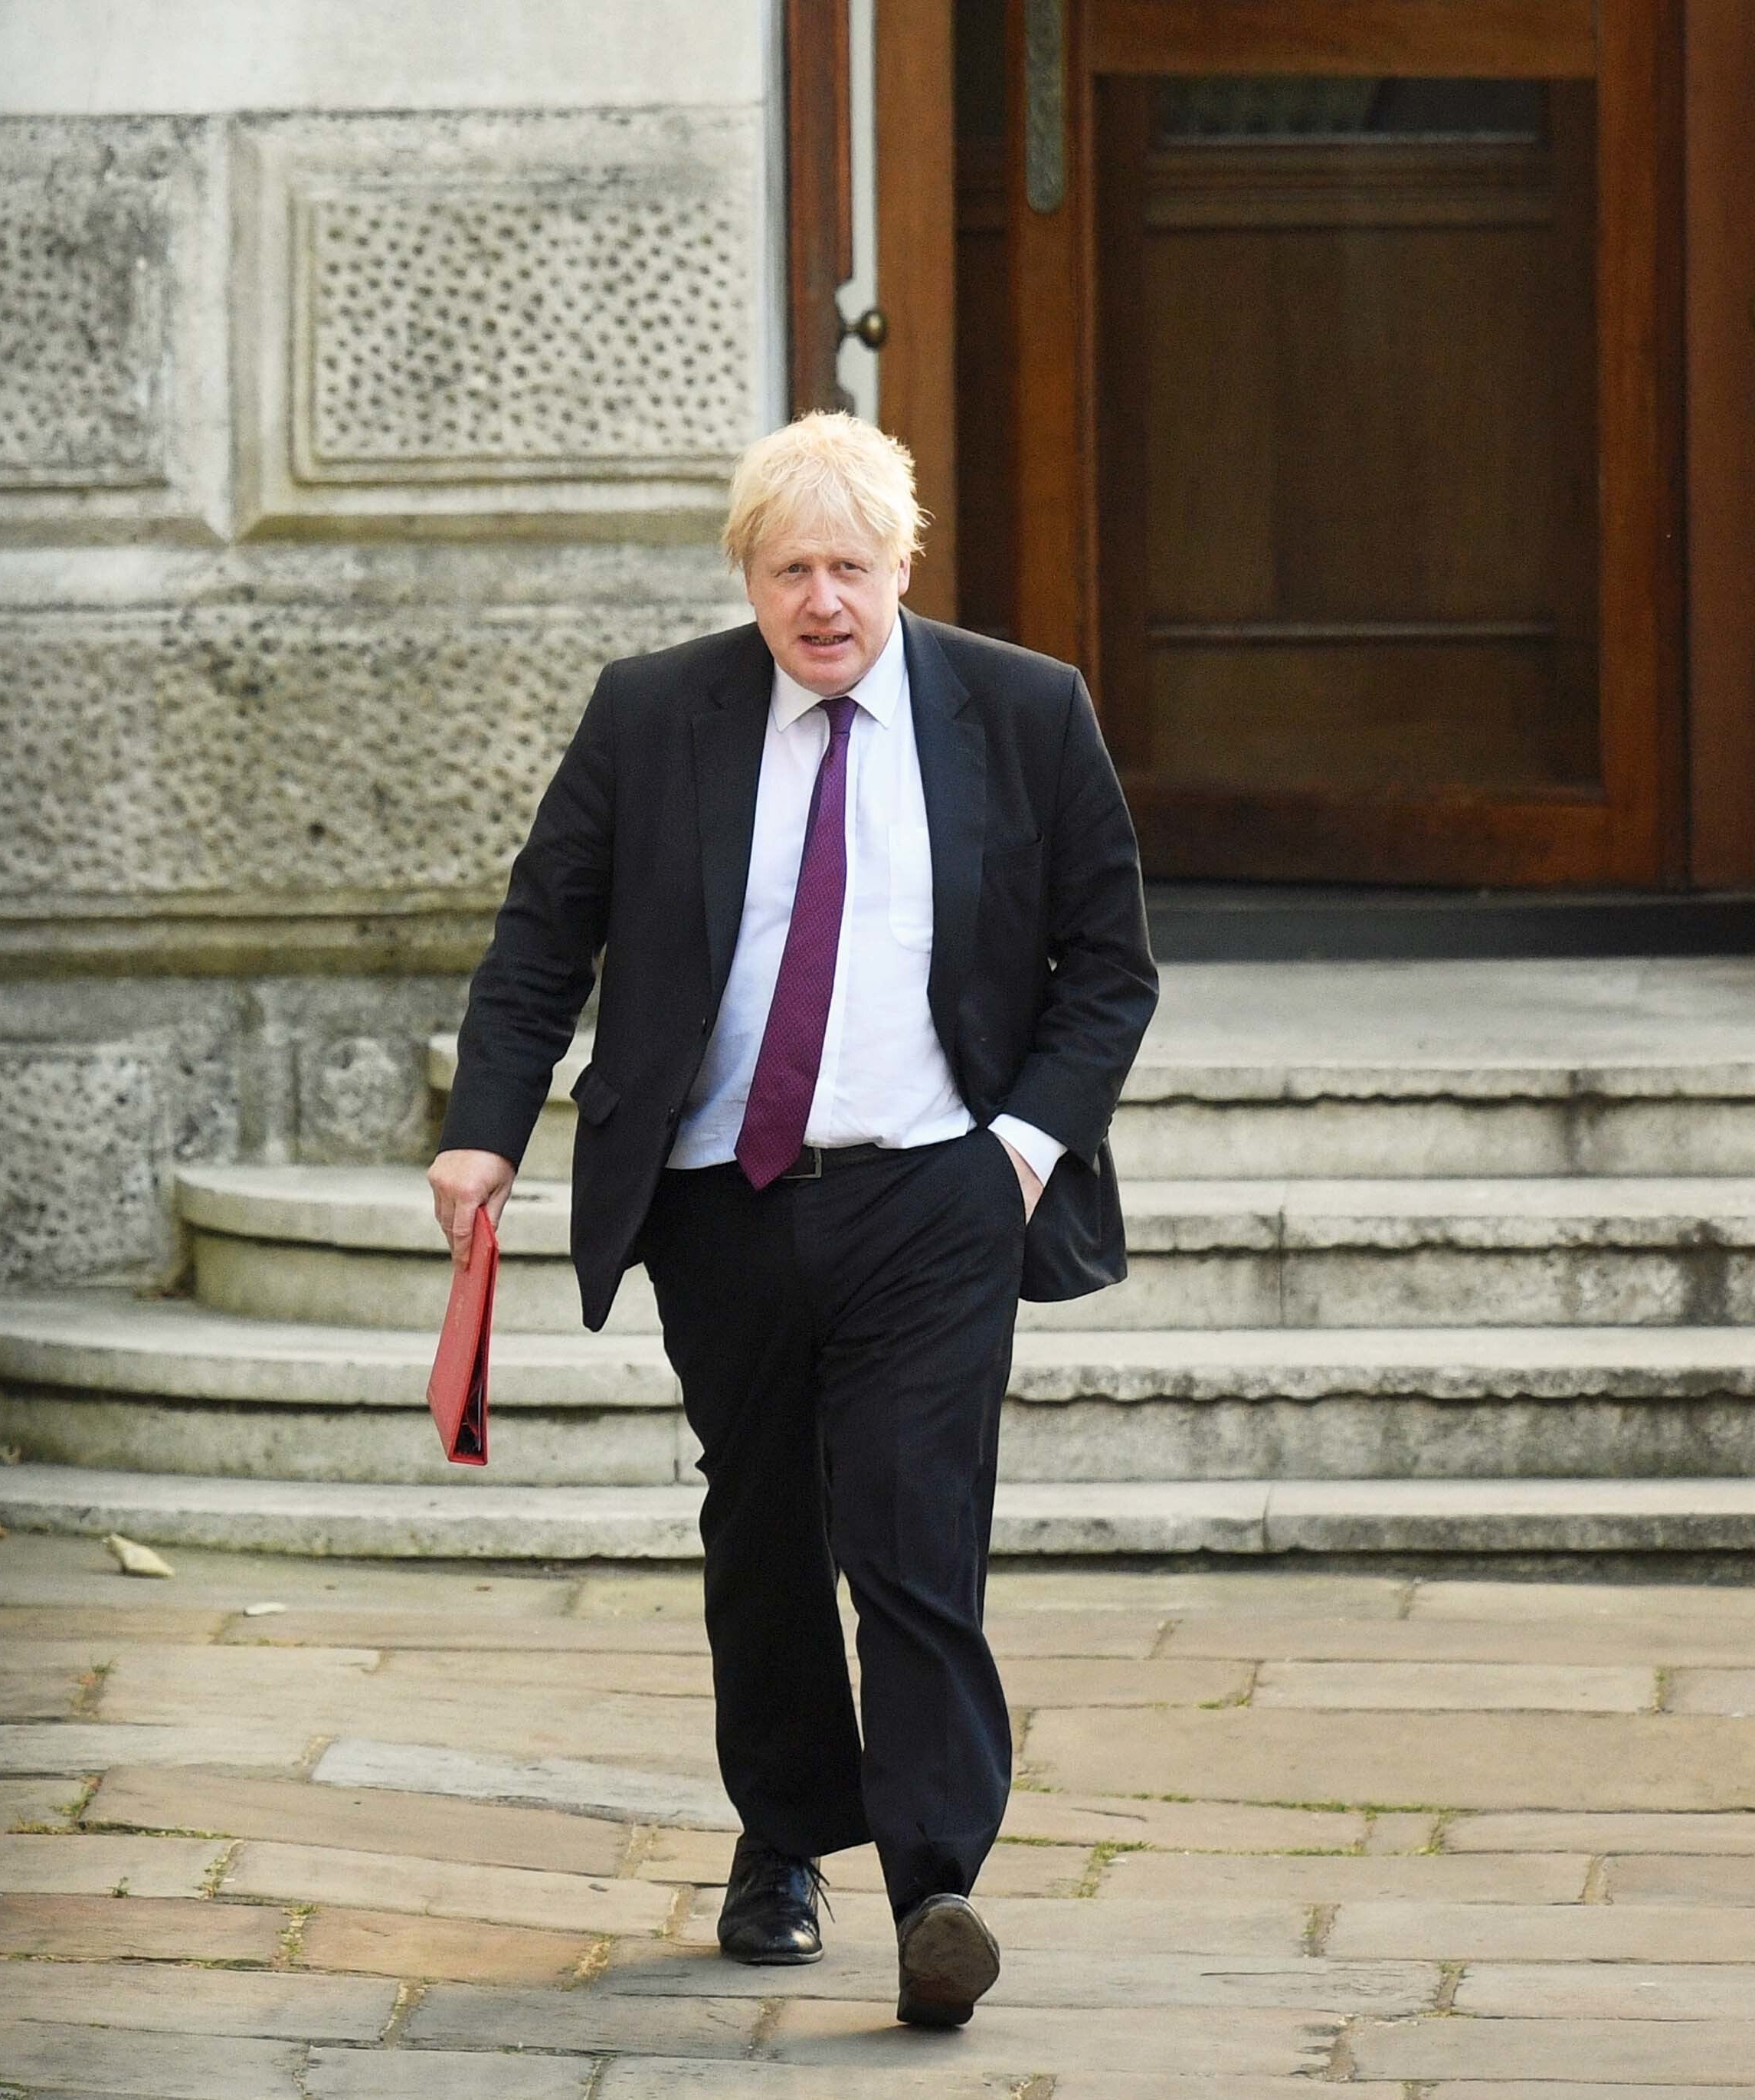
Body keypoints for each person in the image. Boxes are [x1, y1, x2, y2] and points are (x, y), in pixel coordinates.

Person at [427, 411, 1156, 2028]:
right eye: (787, 570)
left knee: (911, 1535)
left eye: (850, 565)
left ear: (905, 564)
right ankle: (781, 1839)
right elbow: (543, 934)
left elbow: (1109, 967)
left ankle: (934, 1889)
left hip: (932, 1193)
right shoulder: (655, 714)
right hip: (720, 1199)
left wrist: (1017, 1157)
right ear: (745, 578)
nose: (820, 600)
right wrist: (486, 1133)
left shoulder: (1025, 712)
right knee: (763, 1534)